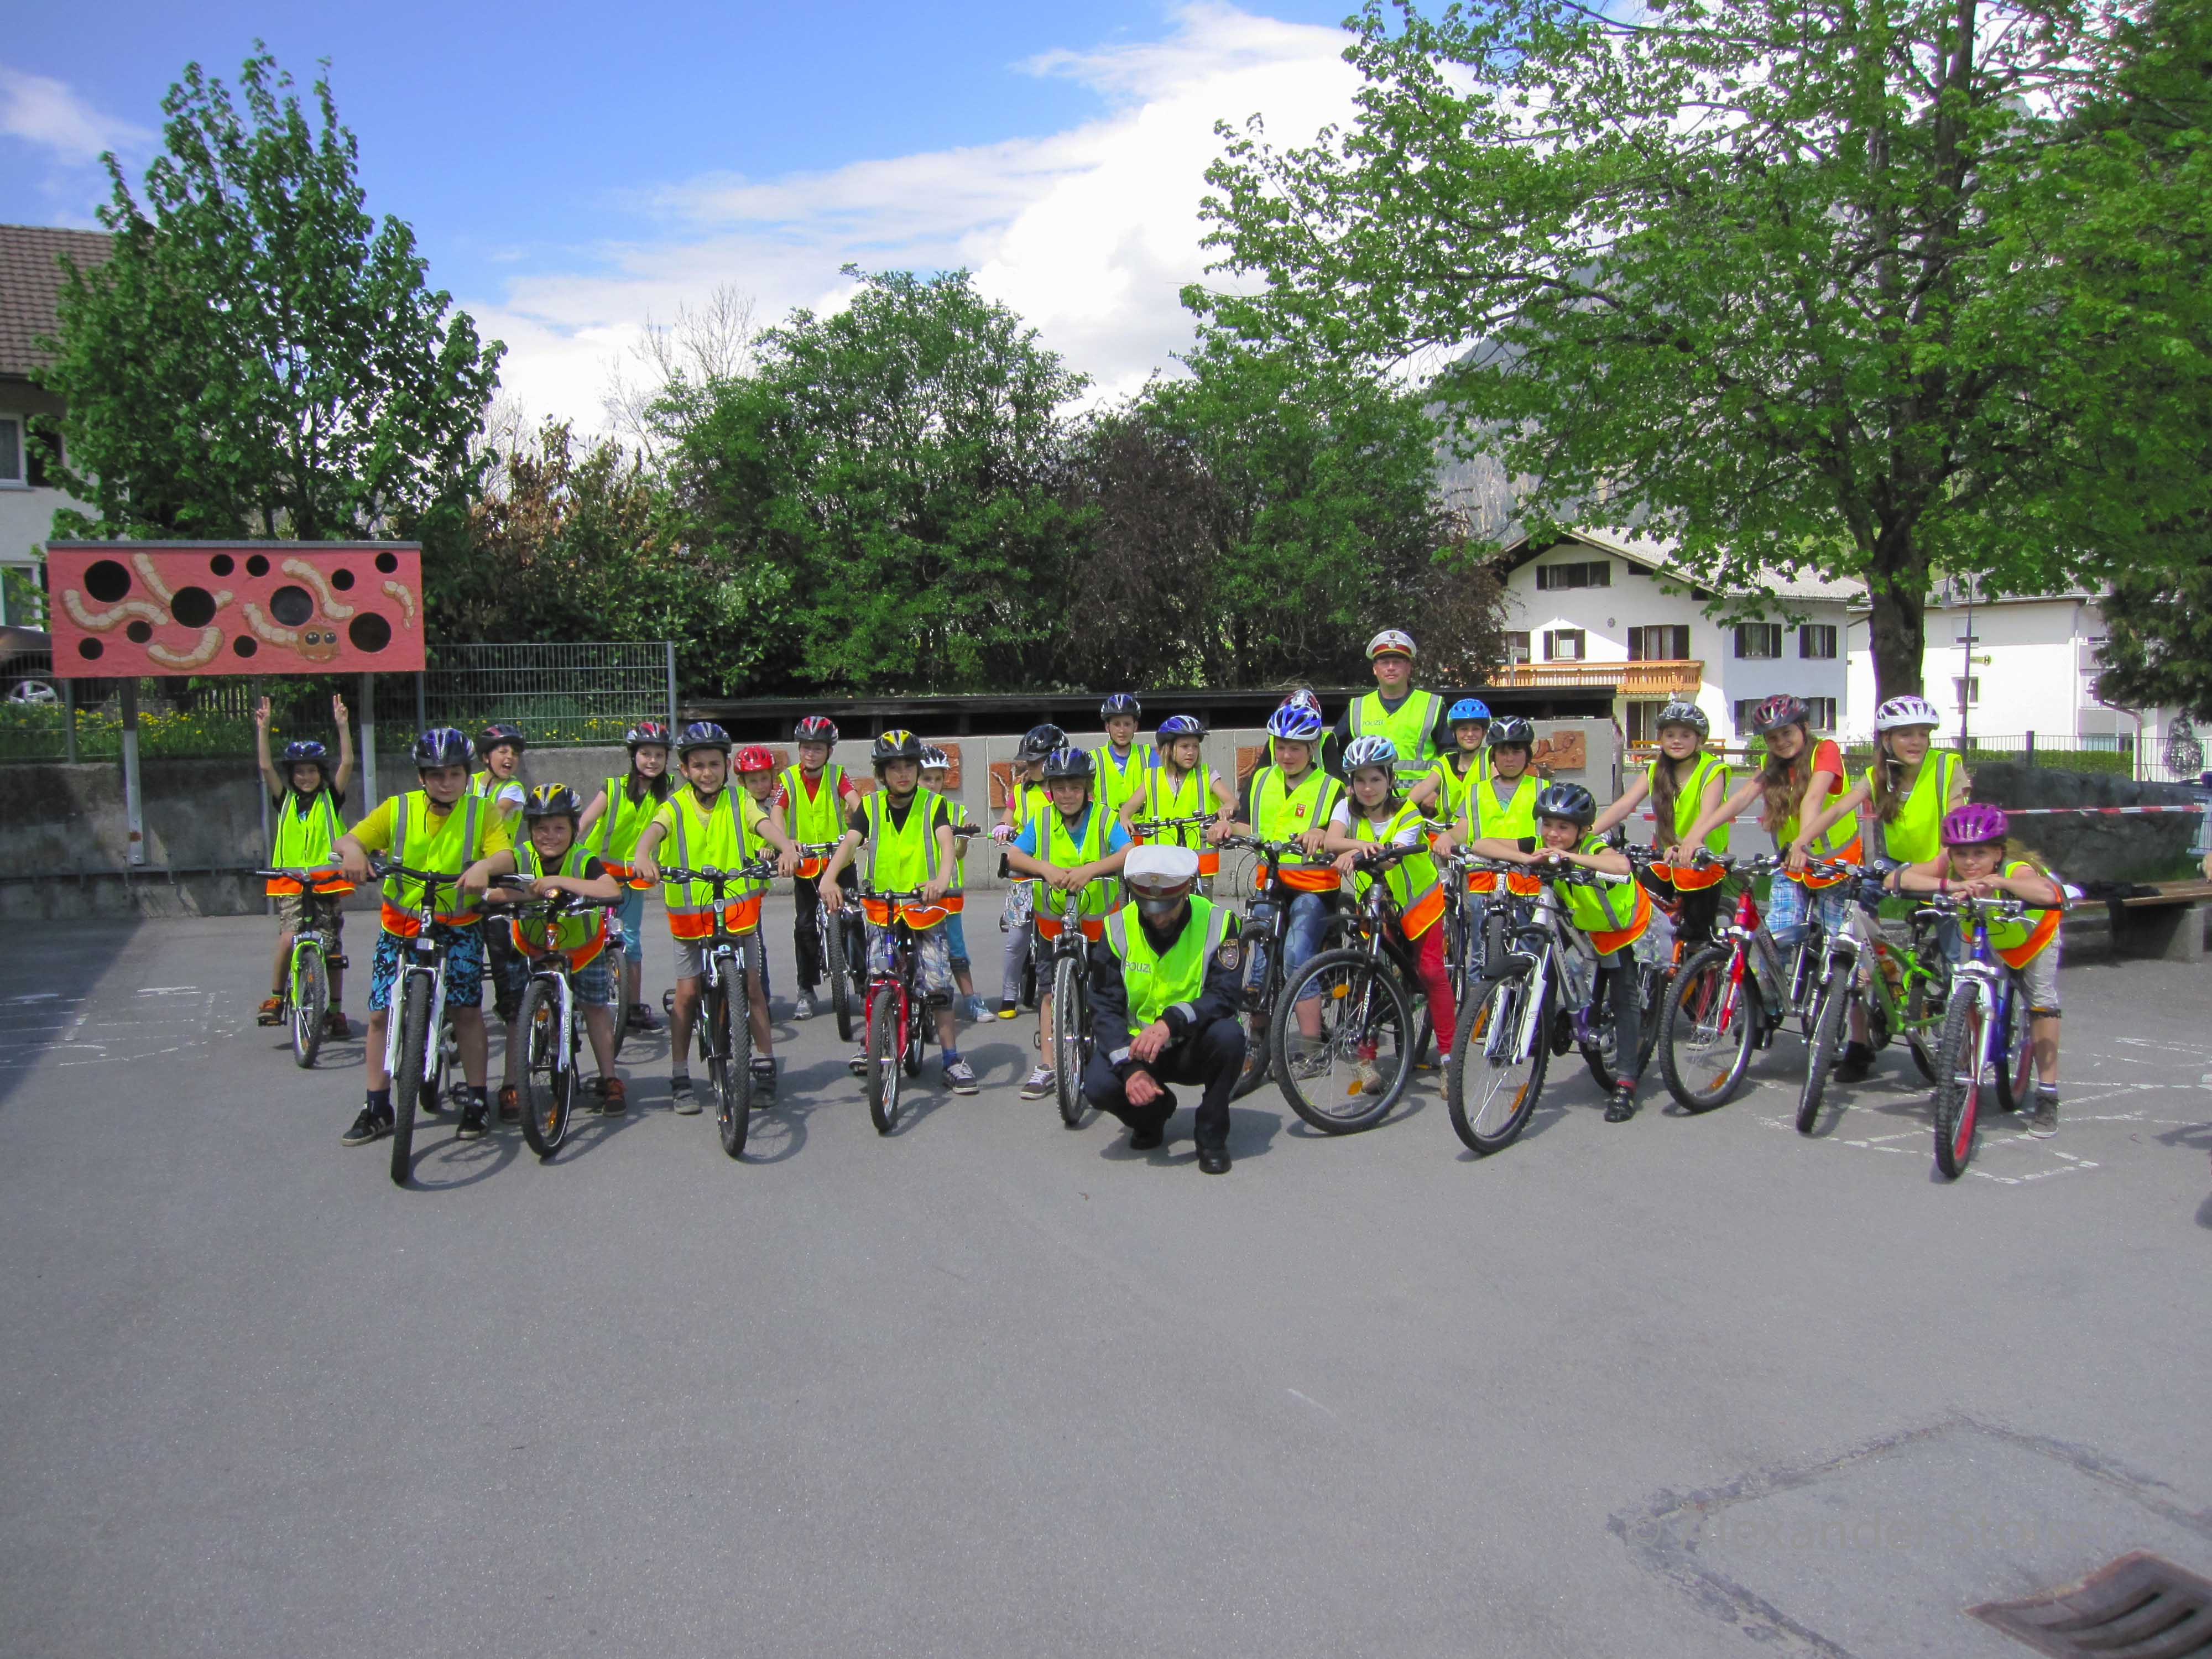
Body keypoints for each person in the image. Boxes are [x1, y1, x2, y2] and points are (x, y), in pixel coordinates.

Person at [330, 727, 510, 1145]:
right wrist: (353, 851)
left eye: (455, 774)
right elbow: (349, 838)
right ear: (421, 777)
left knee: (466, 1011)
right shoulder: (398, 808)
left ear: (466, 775)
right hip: (401, 925)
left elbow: (505, 854)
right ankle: (377, 1106)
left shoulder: (483, 812)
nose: (446, 783)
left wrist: (486, 867)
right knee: (380, 1014)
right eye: (436, 775)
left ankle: (477, 1101)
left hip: (458, 926)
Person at [1792, 694, 1967, 1082]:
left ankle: (1963, 1052)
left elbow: (1956, 833)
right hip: (1894, 868)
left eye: (1922, 734)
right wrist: (1802, 842)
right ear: (1887, 740)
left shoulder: (1946, 767)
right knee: (1854, 943)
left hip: (1943, 867)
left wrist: (1922, 872)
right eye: (1905, 734)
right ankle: (1860, 1041)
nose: (1916, 741)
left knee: (1957, 962)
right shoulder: (1878, 776)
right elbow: (1839, 808)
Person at [630, 723, 801, 1113]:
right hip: (690, 918)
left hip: (738, 912)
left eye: (713, 764)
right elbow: (654, 832)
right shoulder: (674, 805)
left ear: (726, 766)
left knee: (752, 988)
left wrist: (786, 847)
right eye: (698, 765)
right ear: (685, 770)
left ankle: (765, 1064)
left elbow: (763, 825)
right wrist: (642, 855)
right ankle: (680, 1076)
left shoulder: (740, 799)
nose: (706, 772)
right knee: (687, 995)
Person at [1464, 781, 1650, 1121]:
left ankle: (1625, 1081)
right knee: (1544, 962)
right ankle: (1542, 1028)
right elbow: (1481, 843)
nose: (1552, 834)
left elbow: (1621, 866)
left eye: (1563, 827)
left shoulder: (1593, 846)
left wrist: (1570, 858)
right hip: (1578, 916)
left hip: (1616, 923)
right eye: (1547, 824)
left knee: (1623, 992)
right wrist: (1528, 857)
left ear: (1583, 830)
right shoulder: (1543, 844)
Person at [818, 730, 979, 1095]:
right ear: (881, 773)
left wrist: (941, 879)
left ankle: (952, 1058)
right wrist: (829, 878)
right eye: (894, 768)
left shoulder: (933, 804)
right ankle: (872, 1044)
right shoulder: (870, 806)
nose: (903, 773)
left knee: (937, 984)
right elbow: (850, 843)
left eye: (909, 766)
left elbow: (946, 843)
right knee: (878, 978)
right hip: (884, 906)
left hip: (925, 904)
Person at [1895, 805, 2065, 1136]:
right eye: (1961, 854)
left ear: (1998, 853)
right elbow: (1898, 878)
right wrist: (1948, 885)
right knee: (1963, 990)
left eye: (1980, 853)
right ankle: (1958, 1071)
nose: (1969, 862)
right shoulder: (1952, 866)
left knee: (2042, 1004)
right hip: (1988, 935)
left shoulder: (2015, 868)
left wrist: (1998, 882)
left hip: (2033, 937)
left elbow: (2046, 892)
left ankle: (2047, 1095)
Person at [1082, 844, 1244, 1174]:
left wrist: (1171, 1022)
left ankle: (1211, 1137)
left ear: (1186, 892)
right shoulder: (1117, 928)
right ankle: (1152, 1116)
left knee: (1230, 1036)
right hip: (1138, 1047)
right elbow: (1103, 1006)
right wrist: (1130, 1069)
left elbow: (1225, 994)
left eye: (1166, 907)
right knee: (1098, 1085)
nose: (1157, 916)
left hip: (1191, 1044)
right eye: (1148, 906)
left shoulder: (1219, 922)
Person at [478, 785, 628, 1114]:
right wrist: (530, 894)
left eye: (560, 828)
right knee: (518, 1014)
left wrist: (561, 882)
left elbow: (610, 890)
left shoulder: (582, 858)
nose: (550, 836)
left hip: (582, 947)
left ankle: (610, 1078)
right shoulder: (519, 856)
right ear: (530, 830)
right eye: (541, 828)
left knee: (596, 1008)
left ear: (574, 829)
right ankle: (511, 1082)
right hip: (531, 945)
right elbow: (493, 893)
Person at [1215, 702, 1343, 1076]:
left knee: (1296, 956)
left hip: (1312, 887)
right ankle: (1257, 1041)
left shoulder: (1331, 788)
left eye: (1296, 748)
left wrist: (1320, 833)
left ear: (1313, 748)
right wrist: (1226, 828)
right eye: (1281, 746)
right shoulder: (1260, 780)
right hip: (1270, 881)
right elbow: (1249, 825)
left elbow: (1341, 831)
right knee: (1258, 959)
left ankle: (1312, 1048)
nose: (1286, 755)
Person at [1318, 736, 1457, 1073]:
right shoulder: (1344, 808)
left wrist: (1354, 852)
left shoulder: (1408, 812)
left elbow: (1391, 858)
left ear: (1391, 779)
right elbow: (1332, 840)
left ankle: (1450, 1058)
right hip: (1377, 902)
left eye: (1376, 779)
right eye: (1360, 780)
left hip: (1418, 902)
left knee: (1431, 973)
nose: (1368, 788)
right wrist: (1358, 846)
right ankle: (1366, 1059)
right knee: (1370, 972)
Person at [1680, 695, 1857, 956]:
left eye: (1787, 733)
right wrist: (1696, 836)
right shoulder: (1770, 763)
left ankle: (1858, 978)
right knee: (1775, 941)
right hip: (1792, 864)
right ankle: (1773, 983)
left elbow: (1814, 798)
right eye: (1772, 738)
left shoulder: (1824, 751)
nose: (1781, 742)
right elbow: (1742, 798)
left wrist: (1802, 845)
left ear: (1804, 727)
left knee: (1838, 948)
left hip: (1834, 865)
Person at [1004, 745, 1133, 1099]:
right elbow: (1015, 854)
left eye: (1075, 787)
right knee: (1048, 990)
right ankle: (1048, 1065)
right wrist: (1044, 868)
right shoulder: (1042, 819)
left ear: (1087, 788)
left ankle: (1114, 1053)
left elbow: (1127, 852)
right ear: (1049, 789)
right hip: (1054, 922)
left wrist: (1091, 870)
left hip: (1100, 923)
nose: (1067, 795)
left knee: (1109, 989)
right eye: (1059, 788)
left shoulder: (1104, 817)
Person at [254, 693, 356, 1038]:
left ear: (319, 773)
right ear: (292, 775)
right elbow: (265, 768)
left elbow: (347, 764)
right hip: (291, 882)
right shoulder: (284, 800)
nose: (306, 777)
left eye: (312, 771)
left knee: (333, 950)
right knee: (287, 940)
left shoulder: (330, 799)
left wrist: (342, 726)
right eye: (299, 772)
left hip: (327, 881)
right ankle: (276, 997)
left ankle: (336, 1011)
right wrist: (264, 729)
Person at [1591, 700, 1733, 946]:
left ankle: (1701, 967)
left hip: (1703, 862)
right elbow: (1625, 805)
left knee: (1695, 938)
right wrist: (1587, 833)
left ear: (1699, 739)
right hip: (1665, 859)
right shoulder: (1656, 769)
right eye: (1670, 735)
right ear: (1661, 739)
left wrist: (1690, 844)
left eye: (1685, 735)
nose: (1677, 741)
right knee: (1646, 924)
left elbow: (1708, 814)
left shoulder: (1712, 769)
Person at [578, 718, 673, 1035]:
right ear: (634, 756)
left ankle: (632, 1008)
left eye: (659, 755)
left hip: (633, 878)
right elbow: (584, 823)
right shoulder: (613, 787)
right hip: (597, 875)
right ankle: (577, 1001)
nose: (652, 761)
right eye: (646, 754)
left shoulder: (669, 791)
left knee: (630, 941)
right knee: (586, 937)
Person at [1435, 716, 1543, 971]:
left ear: (1527, 755)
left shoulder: (1543, 789)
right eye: (1503, 752)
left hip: (1528, 880)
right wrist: (1446, 838)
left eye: (1516, 752)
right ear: (1493, 756)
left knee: (1530, 950)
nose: (1509, 759)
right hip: (1484, 879)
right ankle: (1479, 997)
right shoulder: (1476, 791)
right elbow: (1463, 829)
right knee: (1479, 952)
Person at [473, 722, 538, 1123]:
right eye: (501, 751)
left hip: (500, 880)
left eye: (514, 751)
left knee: (510, 981)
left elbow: (489, 819)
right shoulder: (467, 785)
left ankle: (511, 1080)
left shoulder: (511, 790)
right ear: (485, 757)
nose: (509, 757)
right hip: (461, 879)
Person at [780, 716, 858, 1021]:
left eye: (818, 748)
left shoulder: (837, 774)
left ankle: (862, 980)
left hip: (839, 860)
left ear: (829, 752)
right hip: (806, 865)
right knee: (804, 926)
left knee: (854, 919)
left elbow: (855, 802)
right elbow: (777, 812)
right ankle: (806, 989)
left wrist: (864, 826)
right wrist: (785, 843)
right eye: (806, 748)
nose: (811, 754)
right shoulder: (787, 779)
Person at [992, 722, 1066, 1019]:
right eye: (1029, 762)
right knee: (1018, 938)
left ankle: (1067, 986)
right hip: (1026, 872)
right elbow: (1008, 818)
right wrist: (1003, 827)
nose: (1031, 767)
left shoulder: (1069, 790)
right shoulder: (1021, 790)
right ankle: (1009, 996)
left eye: (1037, 761)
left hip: (1059, 872)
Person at [1120, 714, 1231, 887]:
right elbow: (1127, 809)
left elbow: (1232, 802)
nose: (1191, 752)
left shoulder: (1206, 774)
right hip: (1160, 866)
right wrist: (1125, 818)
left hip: (1199, 867)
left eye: (1195, 746)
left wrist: (1227, 808)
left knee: (1201, 903)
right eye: (1185, 746)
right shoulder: (1152, 777)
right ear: (1169, 749)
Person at [920, 744, 988, 1021]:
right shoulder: (910, 810)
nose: (933, 784)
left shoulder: (954, 811)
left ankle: (971, 1000)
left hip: (948, 894)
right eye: (927, 778)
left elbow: (958, 853)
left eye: (938, 779)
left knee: (956, 949)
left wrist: (964, 838)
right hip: (914, 891)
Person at [1334, 630, 1453, 791]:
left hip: (1422, 801)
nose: (1391, 668)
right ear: (1375, 669)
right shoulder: (1358, 707)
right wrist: (1347, 785)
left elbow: (1451, 756)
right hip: (1370, 800)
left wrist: (1437, 792)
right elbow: (1332, 752)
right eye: (1385, 662)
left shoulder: (1432, 705)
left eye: (1397, 662)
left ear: (1409, 668)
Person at [733, 744, 785, 1004]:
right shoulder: (737, 805)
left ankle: (761, 1002)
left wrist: (771, 850)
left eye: (765, 778)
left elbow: (778, 834)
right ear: (742, 782)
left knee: (755, 944)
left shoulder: (774, 806)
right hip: (732, 881)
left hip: (753, 888)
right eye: (753, 781)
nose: (760, 785)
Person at [1407, 698, 1492, 825]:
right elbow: (1424, 786)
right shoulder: (1445, 761)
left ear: (1484, 732)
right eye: (1464, 729)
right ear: (1453, 733)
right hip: (1447, 831)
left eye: (1476, 729)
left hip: (1482, 829)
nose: (1470, 734)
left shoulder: (1491, 758)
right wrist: (1396, 811)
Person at [1092, 693, 1156, 822]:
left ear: (1135, 727)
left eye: (1127, 724)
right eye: (1117, 724)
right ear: (1107, 727)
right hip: (1106, 829)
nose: (1122, 730)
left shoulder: (1150, 755)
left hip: (1145, 829)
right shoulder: (1093, 758)